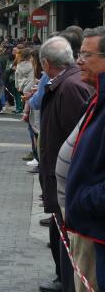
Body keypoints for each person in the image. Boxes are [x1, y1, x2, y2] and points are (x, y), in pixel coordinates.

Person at [37, 36, 93, 292]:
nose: (82, 62)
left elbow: (80, 142)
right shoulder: (65, 83)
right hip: (62, 186)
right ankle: (63, 280)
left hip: (71, 189)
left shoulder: (70, 87)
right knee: (61, 239)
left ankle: (66, 283)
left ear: (46, 63)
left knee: (70, 246)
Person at [65, 26, 105, 292]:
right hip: (89, 230)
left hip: (97, 234)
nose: (78, 61)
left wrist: (83, 201)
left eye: (86, 55)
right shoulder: (98, 96)